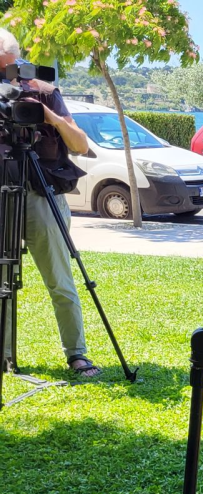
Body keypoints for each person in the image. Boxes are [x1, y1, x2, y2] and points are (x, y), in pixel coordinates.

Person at [0, 29, 98, 378]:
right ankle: (4, 356)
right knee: (2, 279)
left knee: (60, 279)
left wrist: (49, 116)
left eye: (9, 69)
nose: (6, 78)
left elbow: (81, 144)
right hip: (3, 191)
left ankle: (77, 355)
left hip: (41, 193)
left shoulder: (43, 93)